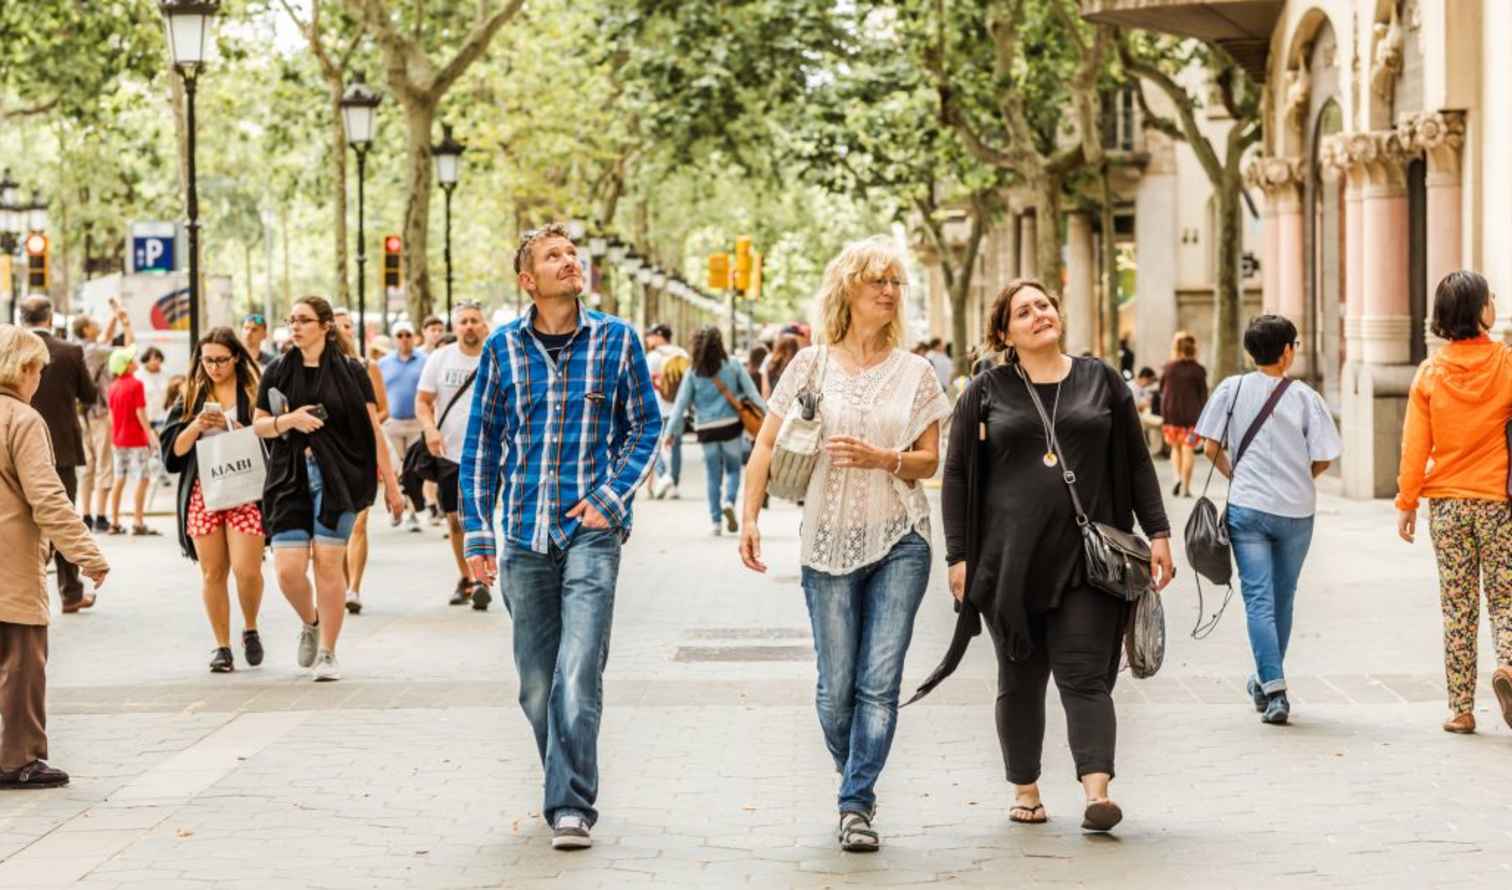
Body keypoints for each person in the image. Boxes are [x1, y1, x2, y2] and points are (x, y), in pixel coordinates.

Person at [921, 278, 1173, 835]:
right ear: (1004, 332)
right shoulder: (984, 391)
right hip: (1009, 563)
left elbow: (1134, 461)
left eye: (1045, 305)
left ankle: (1097, 792)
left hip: (1089, 562)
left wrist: (1158, 531)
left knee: (1085, 676)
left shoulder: (1100, 379)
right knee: (1020, 678)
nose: (1039, 315)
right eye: (1024, 311)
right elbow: (957, 473)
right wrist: (958, 557)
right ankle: (1026, 788)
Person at [738, 236, 948, 852]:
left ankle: (856, 802)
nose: (888, 291)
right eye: (875, 280)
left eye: (895, 282)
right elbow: (767, 447)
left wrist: (884, 458)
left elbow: (932, 460)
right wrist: (749, 519)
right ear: (847, 290)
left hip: (901, 538)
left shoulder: (917, 372)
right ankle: (854, 767)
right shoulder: (809, 365)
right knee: (836, 690)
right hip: (825, 542)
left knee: (878, 683)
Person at [461, 223, 660, 851]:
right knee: (538, 684)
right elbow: (482, 447)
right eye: (554, 257)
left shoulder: (618, 341)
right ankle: (566, 780)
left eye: (572, 254)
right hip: (522, 532)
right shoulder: (502, 350)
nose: (569, 262)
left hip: (591, 534)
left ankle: (570, 805)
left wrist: (609, 498)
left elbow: (646, 429)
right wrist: (477, 529)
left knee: (578, 670)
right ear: (528, 280)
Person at [1196, 315, 1341, 726]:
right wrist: (1299, 478)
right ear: (1288, 350)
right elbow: (1325, 455)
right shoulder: (1305, 398)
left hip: (1248, 509)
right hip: (1296, 512)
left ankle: (1268, 684)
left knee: (1258, 599)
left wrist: (1236, 475)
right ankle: (1274, 686)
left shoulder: (1231, 388)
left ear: (1250, 352)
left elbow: (1209, 446)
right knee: (1283, 597)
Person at [253, 296, 403, 681]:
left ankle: (329, 653)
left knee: (328, 565)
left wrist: (391, 485)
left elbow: (373, 430)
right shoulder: (277, 371)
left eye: (303, 320)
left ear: (324, 326)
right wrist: (290, 420)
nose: (296, 327)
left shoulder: (353, 371)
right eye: (291, 320)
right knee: (287, 570)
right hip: (289, 477)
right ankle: (310, 620)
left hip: (339, 476)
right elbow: (258, 425)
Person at [1395, 270, 1512, 735]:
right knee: (1506, 597)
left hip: (1446, 505)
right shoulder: (1506, 364)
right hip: (1498, 502)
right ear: (1480, 312)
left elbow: (1414, 445)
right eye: (1490, 298)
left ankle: (1460, 709)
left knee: (1458, 606)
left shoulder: (1430, 373)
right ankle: (1508, 665)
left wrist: (1407, 501)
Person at [0, 325, 110, 789]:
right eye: (39, 371)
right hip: (10, 561)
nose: (39, 380)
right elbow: (48, 498)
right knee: (22, 660)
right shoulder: (21, 420)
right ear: (23, 369)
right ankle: (19, 758)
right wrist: (87, 554)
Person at [162, 328, 268, 673]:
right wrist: (194, 426)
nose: (214, 367)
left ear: (236, 357)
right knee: (213, 571)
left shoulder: (254, 392)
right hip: (204, 492)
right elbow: (173, 454)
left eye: (221, 359)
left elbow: (275, 439)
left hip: (247, 491)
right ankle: (222, 646)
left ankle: (250, 627)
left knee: (246, 570)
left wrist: (240, 429)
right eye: (208, 360)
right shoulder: (191, 395)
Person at [18, 298, 100, 613]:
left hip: (14, 444)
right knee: (62, 515)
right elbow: (89, 395)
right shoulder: (70, 351)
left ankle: (24, 594)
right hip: (61, 447)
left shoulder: (10, 349)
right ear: (50, 318)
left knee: (20, 519)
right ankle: (70, 591)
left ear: (22, 318)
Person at [416, 301, 491, 609]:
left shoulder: (495, 358)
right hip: (449, 451)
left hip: (489, 453)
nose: (469, 326)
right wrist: (430, 430)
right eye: (464, 322)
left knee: (482, 517)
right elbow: (422, 402)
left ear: (484, 326)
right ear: (456, 327)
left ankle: (484, 577)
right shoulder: (441, 358)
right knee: (455, 520)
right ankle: (469, 578)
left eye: (475, 320)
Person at [664, 326, 766, 536]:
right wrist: (771, 418)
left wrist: (670, 432)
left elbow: (681, 404)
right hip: (730, 426)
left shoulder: (693, 371)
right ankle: (729, 501)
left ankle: (716, 521)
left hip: (706, 429)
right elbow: (753, 395)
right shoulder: (733, 365)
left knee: (712, 474)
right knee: (733, 469)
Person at [333, 308, 391, 614]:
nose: (341, 332)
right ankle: (341, 584)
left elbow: (384, 410)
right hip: (332, 455)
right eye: (336, 326)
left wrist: (361, 423)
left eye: (346, 326)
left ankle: (354, 587)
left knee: (359, 522)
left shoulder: (368, 366)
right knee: (340, 524)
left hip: (362, 452)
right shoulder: (320, 369)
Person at [76, 307, 132, 531]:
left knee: (87, 465)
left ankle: (86, 515)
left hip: (81, 413)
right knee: (104, 464)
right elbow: (126, 351)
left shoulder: (78, 348)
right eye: (94, 322)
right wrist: (125, 323)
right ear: (87, 329)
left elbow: (105, 338)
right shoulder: (97, 351)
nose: (98, 325)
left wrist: (113, 317)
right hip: (100, 413)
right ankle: (101, 516)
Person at [105, 348, 161, 536]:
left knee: (119, 479)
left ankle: (114, 522)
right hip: (136, 439)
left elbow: (111, 417)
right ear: (126, 366)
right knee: (143, 478)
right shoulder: (136, 384)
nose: (135, 360)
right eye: (131, 359)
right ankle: (138, 521)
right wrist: (151, 435)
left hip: (118, 440)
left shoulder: (112, 387)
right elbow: (140, 413)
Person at [379, 320, 428, 532]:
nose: (404, 339)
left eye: (408, 335)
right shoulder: (383, 363)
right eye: (400, 335)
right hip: (393, 425)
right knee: (397, 469)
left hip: (416, 423)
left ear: (414, 337)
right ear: (394, 338)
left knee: (412, 471)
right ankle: (397, 507)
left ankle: (412, 513)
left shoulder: (425, 360)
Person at [644, 323, 689, 500]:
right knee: (676, 447)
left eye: (650, 336)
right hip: (679, 410)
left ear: (659, 336)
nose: (648, 339)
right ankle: (674, 484)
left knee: (654, 446)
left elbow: (645, 383)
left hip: (658, 408)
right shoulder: (682, 354)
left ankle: (663, 476)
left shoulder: (653, 357)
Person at [1160, 331, 1207, 497]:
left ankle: (1177, 478)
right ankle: (1186, 488)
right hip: (1193, 418)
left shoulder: (1168, 369)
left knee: (1175, 448)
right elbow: (1203, 396)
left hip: (1172, 416)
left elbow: (1162, 392)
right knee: (1188, 450)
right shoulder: (1199, 370)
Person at [764, 333, 800, 401]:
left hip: (775, 405)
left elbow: (766, 391)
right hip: (793, 407)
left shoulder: (771, 365)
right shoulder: (799, 364)